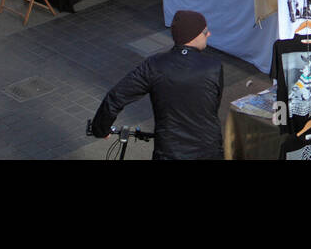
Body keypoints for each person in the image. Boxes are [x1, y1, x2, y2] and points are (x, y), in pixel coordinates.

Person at [90, 9, 224, 159]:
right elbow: (213, 105)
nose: (209, 34)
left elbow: (116, 96)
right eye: (205, 31)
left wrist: (100, 128)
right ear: (193, 36)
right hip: (208, 150)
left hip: (170, 152)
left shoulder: (154, 65)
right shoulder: (214, 66)